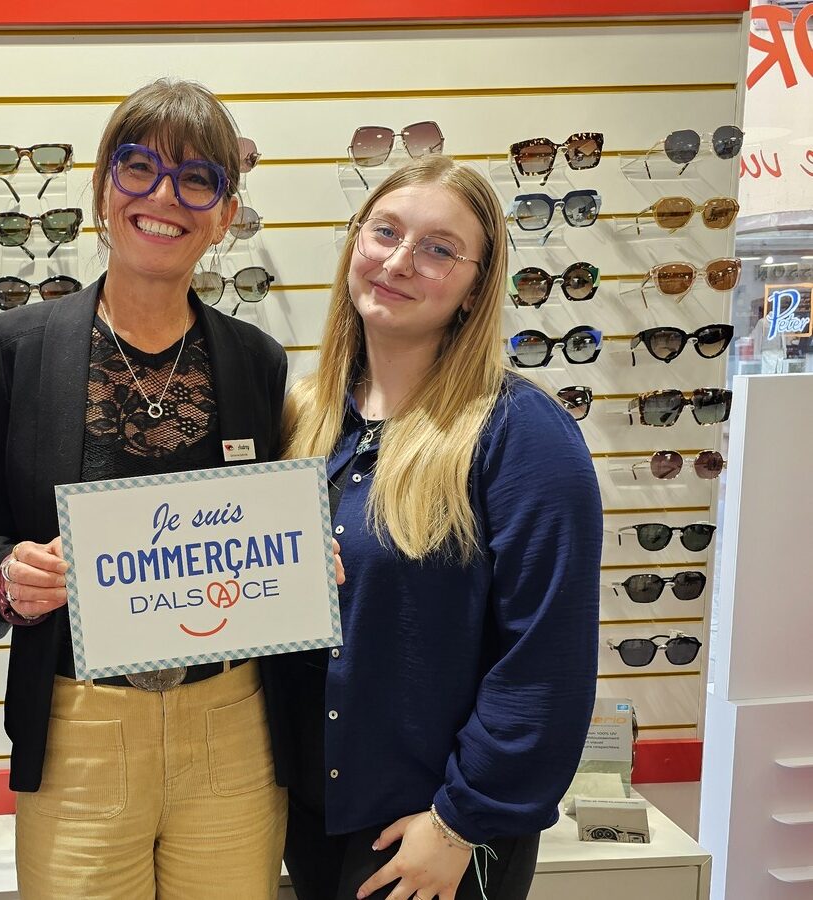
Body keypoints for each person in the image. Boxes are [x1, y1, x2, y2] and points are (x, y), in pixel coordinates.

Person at [0, 78, 292, 899]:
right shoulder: (17, 346)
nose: (164, 197)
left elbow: (269, 542)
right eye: (140, 167)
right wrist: (8, 577)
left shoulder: (256, 361)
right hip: (78, 722)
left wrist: (301, 565)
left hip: (231, 723)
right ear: (103, 185)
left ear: (225, 213)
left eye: (197, 180)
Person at [278, 156, 601, 900]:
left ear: (476, 287)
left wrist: (462, 821)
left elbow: (545, 661)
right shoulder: (303, 417)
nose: (399, 262)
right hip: (310, 819)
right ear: (355, 242)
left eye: (439, 249)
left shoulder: (522, 435)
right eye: (385, 232)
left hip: (433, 836)